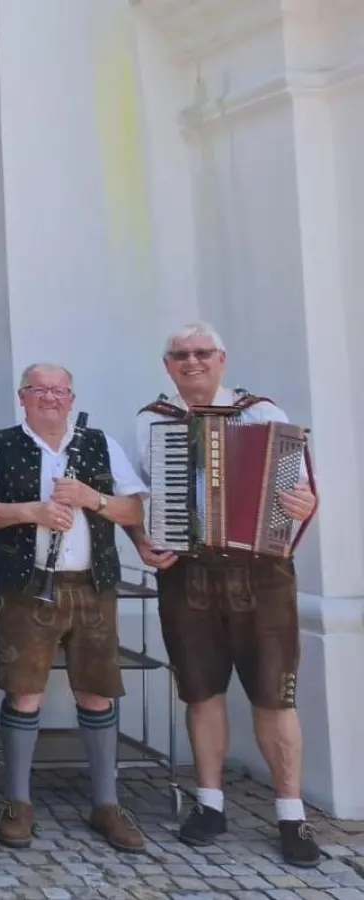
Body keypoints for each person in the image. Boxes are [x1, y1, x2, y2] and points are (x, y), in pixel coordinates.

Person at [129, 322, 319, 866]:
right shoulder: (152, 421)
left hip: (260, 572)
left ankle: (291, 815)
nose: (192, 362)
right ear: (167, 365)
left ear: (222, 359)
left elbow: (302, 493)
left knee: (274, 694)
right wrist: (142, 538)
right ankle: (209, 803)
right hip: (188, 572)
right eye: (180, 355)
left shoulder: (263, 415)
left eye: (202, 353)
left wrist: (302, 508)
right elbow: (138, 496)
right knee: (200, 689)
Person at [0, 364, 148, 852]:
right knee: (23, 692)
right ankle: (18, 802)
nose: (49, 397)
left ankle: (106, 803)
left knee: (97, 693)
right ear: (22, 396)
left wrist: (93, 498)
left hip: (92, 585)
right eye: (39, 390)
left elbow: (134, 510)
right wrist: (33, 511)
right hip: (26, 586)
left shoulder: (100, 443)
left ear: (71, 399)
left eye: (58, 391)